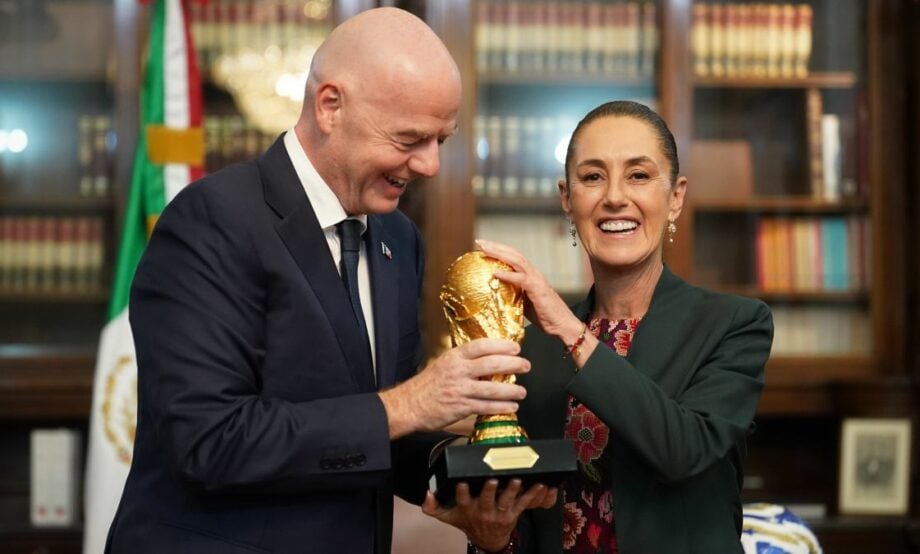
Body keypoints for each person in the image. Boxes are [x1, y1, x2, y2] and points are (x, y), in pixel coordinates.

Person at [106, 8, 554, 554]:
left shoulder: (398, 239)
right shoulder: (212, 220)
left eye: (441, 139)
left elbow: (378, 433)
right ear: (330, 107)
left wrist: (466, 473)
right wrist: (409, 405)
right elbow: (209, 441)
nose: (430, 165)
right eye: (410, 138)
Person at [475, 100, 774, 553]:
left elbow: (683, 452)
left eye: (638, 175)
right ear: (567, 199)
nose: (614, 196)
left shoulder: (733, 324)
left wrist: (571, 332)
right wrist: (495, 540)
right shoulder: (531, 347)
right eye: (593, 177)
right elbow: (529, 514)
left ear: (675, 197)